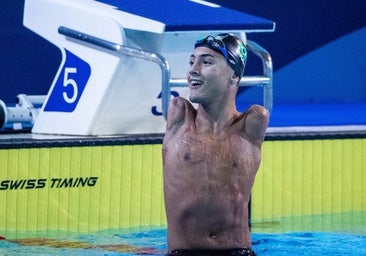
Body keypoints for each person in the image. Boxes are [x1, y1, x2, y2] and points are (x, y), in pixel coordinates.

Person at [162, 33, 269, 256]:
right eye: (192, 61)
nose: (193, 69)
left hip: (238, 252)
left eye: (206, 62)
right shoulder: (179, 120)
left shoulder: (250, 126)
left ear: (234, 75)